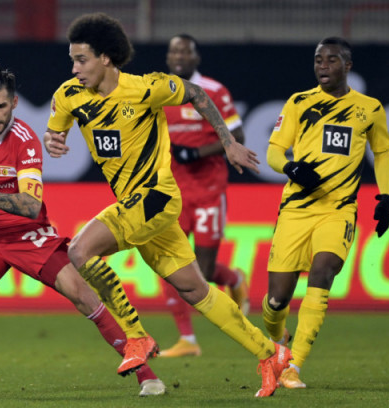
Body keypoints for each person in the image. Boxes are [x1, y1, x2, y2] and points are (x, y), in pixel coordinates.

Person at [43, 12, 292, 398]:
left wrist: (228, 143)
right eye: (72, 60)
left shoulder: (146, 88)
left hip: (157, 197)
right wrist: (53, 141)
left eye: (81, 60)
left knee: (78, 250)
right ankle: (271, 353)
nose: (74, 68)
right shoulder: (69, 95)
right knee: (196, 291)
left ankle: (136, 336)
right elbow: (54, 131)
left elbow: (197, 94)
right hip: (135, 207)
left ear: (105, 58)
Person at [0, 62, 166, 396]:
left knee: (80, 291)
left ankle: (146, 374)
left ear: (14, 103)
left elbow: (31, 206)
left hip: (25, 235)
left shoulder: (25, 141)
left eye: (1, 106)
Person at [261, 37, 389, 389]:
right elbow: (274, 152)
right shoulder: (299, 102)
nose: (323, 65)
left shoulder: (370, 109)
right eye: (318, 59)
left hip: (339, 210)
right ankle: (278, 338)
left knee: (322, 272)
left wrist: (386, 196)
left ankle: (293, 366)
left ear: (347, 66)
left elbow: (382, 153)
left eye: (331, 60)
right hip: (296, 210)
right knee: (276, 300)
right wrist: (291, 168)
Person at [159, 34, 250, 358]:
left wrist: (196, 153)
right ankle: (187, 339)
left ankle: (233, 279)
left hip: (209, 190)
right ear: (168, 58)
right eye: (174, 51)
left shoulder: (214, 90)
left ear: (196, 58)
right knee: (166, 261)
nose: (179, 56)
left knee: (205, 272)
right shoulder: (159, 91)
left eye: (185, 51)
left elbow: (237, 136)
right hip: (172, 193)